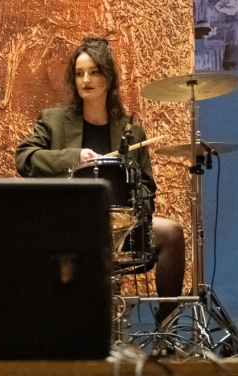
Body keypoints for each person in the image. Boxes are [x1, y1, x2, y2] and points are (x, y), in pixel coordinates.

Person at [16, 38, 185, 316]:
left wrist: (134, 214)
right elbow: (25, 158)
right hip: (71, 224)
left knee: (172, 233)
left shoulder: (131, 129)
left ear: (108, 77)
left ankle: (168, 328)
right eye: (79, 73)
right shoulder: (53, 120)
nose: (86, 80)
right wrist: (74, 157)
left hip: (122, 227)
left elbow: (146, 187)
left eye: (94, 72)